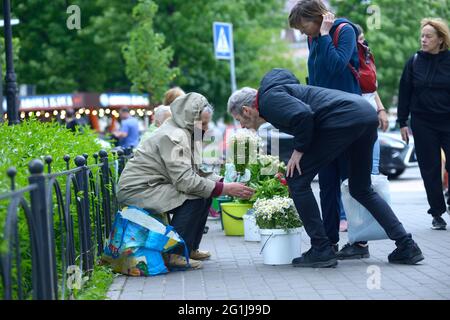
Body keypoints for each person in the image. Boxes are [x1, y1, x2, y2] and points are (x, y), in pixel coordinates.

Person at [227, 69, 424, 268]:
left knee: (296, 180)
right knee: (361, 188)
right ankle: (407, 245)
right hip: (364, 114)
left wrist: (300, 148)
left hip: (344, 119)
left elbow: (303, 115)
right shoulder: (279, 93)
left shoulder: (268, 100)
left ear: (246, 110)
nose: (242, 126)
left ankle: (321, 249)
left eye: (239, 120)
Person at [118, 93, 254, 269]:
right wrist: (225, 188)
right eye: (202, 123)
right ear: (190, 118)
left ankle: (189, 249)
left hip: (155, 185)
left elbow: (196, 171)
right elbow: (186, 181)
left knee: (205, 194)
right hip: (138, 190)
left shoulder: (186, 131)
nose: (205, 128)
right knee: (194, 196)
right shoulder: (173, 136)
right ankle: (175, 253)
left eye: (207, 123)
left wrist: (223, 181)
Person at [289, 0, 375, 257]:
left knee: (351, 183)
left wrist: (325, 35)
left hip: (347, 120)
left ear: (316, 17)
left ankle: (360, 243)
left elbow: (337, 65)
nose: (302, 33)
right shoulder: (312, 38)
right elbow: (315, 79)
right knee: (327, 183)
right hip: (324, 121)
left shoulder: (342, 30)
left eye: (303, 26)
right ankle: (328, 242)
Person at [397, 18, 450, 230]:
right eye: (422, 36)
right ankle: (437, 213)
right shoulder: (414, 61)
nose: (423, 40)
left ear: (440, 39)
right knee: (429, 169)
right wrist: (402, 122)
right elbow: (405, 93)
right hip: (422, 122)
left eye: (428, 36)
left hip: (448, 120)